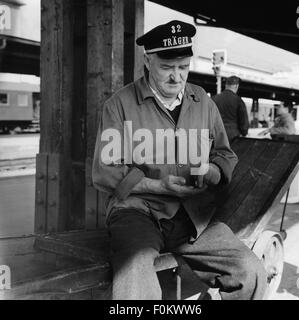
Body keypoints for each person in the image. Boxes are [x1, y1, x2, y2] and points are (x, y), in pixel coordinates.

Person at [92, 20, 267, 300]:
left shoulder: (203, 102)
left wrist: (212, 171)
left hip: (193, 215)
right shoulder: (119, 104)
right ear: (148, 62)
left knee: (250, 271)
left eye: (183, 67)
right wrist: (159, 187)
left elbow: (224, 153)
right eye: (167, 68)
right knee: (134, 269)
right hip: (137, 211)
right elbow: (104, 171)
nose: (177, 77)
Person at [212, 76, 249, 143]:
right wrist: (244, 132)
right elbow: (244, 121)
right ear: (236, 86)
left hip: (216, 135)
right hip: (233, 137)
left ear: (226, 85)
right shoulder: (238, 100)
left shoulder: (214, 99)